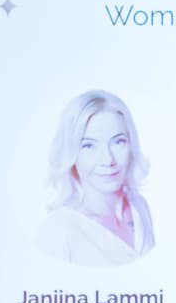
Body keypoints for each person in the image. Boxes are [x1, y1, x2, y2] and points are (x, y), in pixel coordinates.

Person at [37, 90, 156, 266]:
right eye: (89, 146)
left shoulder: (139, 208)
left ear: (131, 145)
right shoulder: (58, 231)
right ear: (71, 153)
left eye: (118, 142)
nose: (108, 160)